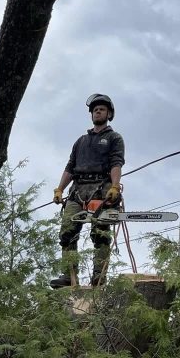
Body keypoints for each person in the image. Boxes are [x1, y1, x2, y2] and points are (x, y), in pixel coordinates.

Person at [49, 93, 125, 288]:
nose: (97, 111)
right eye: (95, 109)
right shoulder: (81, 141)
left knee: (100, 233)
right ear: (91, 114)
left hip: (101, 188)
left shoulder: (114, 138)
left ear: (109, 113)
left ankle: (99, 278)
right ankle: (68, 275)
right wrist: (60, 188)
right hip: (77, 190)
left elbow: (116, 163)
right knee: (67, 232)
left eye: (102, 109)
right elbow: (70, 167)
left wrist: (115, 186)